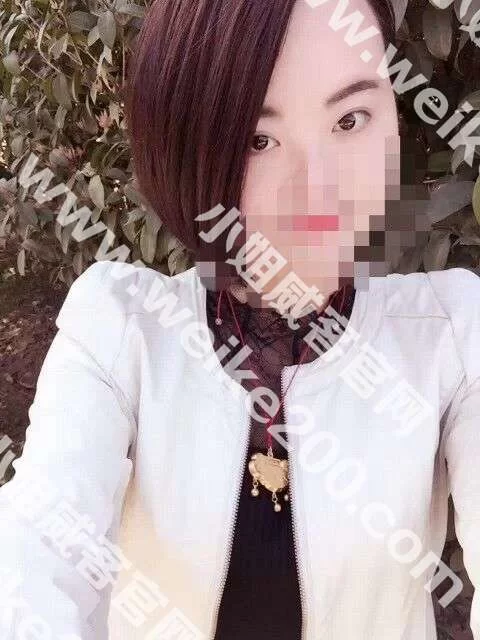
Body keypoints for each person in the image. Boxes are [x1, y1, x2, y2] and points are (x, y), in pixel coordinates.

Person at [0, 0, 479, 639]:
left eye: (350, 119)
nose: (320, 189)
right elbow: (35, 565)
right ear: (189, 150)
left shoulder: (449, 334)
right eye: (260, 139)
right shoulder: (122, 330)